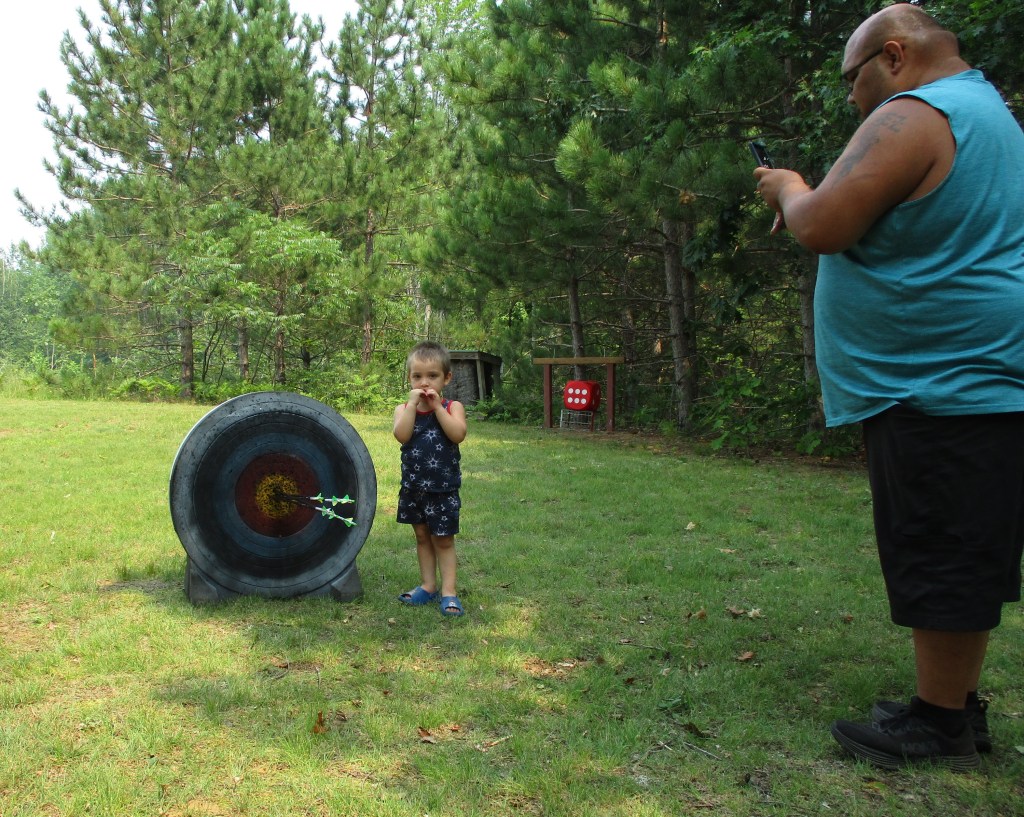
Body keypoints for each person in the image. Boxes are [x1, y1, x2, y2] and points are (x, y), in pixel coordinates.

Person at [755, 4, 1024, 770]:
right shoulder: (987, 110)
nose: (851, 96)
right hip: (972, 374)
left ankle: (939, 726)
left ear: (895, 56)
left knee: (938, 543)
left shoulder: (917, 113)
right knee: (959, 540)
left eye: (854, 77)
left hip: (943, 377)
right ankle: (954, 705)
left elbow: (822, 224)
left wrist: (788, 187)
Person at [393, 341, 468, 617]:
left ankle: (449, 592)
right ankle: (428, 585)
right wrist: (412, 406)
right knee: (422, 537)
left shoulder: (453, 407)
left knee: (444, 540)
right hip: (414, 488)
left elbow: (457, 434)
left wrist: (438, 408)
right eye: (417, 376)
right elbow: (401, 435)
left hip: (443, 489)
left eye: (432, 376)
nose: (424, 383)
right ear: (409, 379)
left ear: (446, 378)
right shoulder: (403, 409)